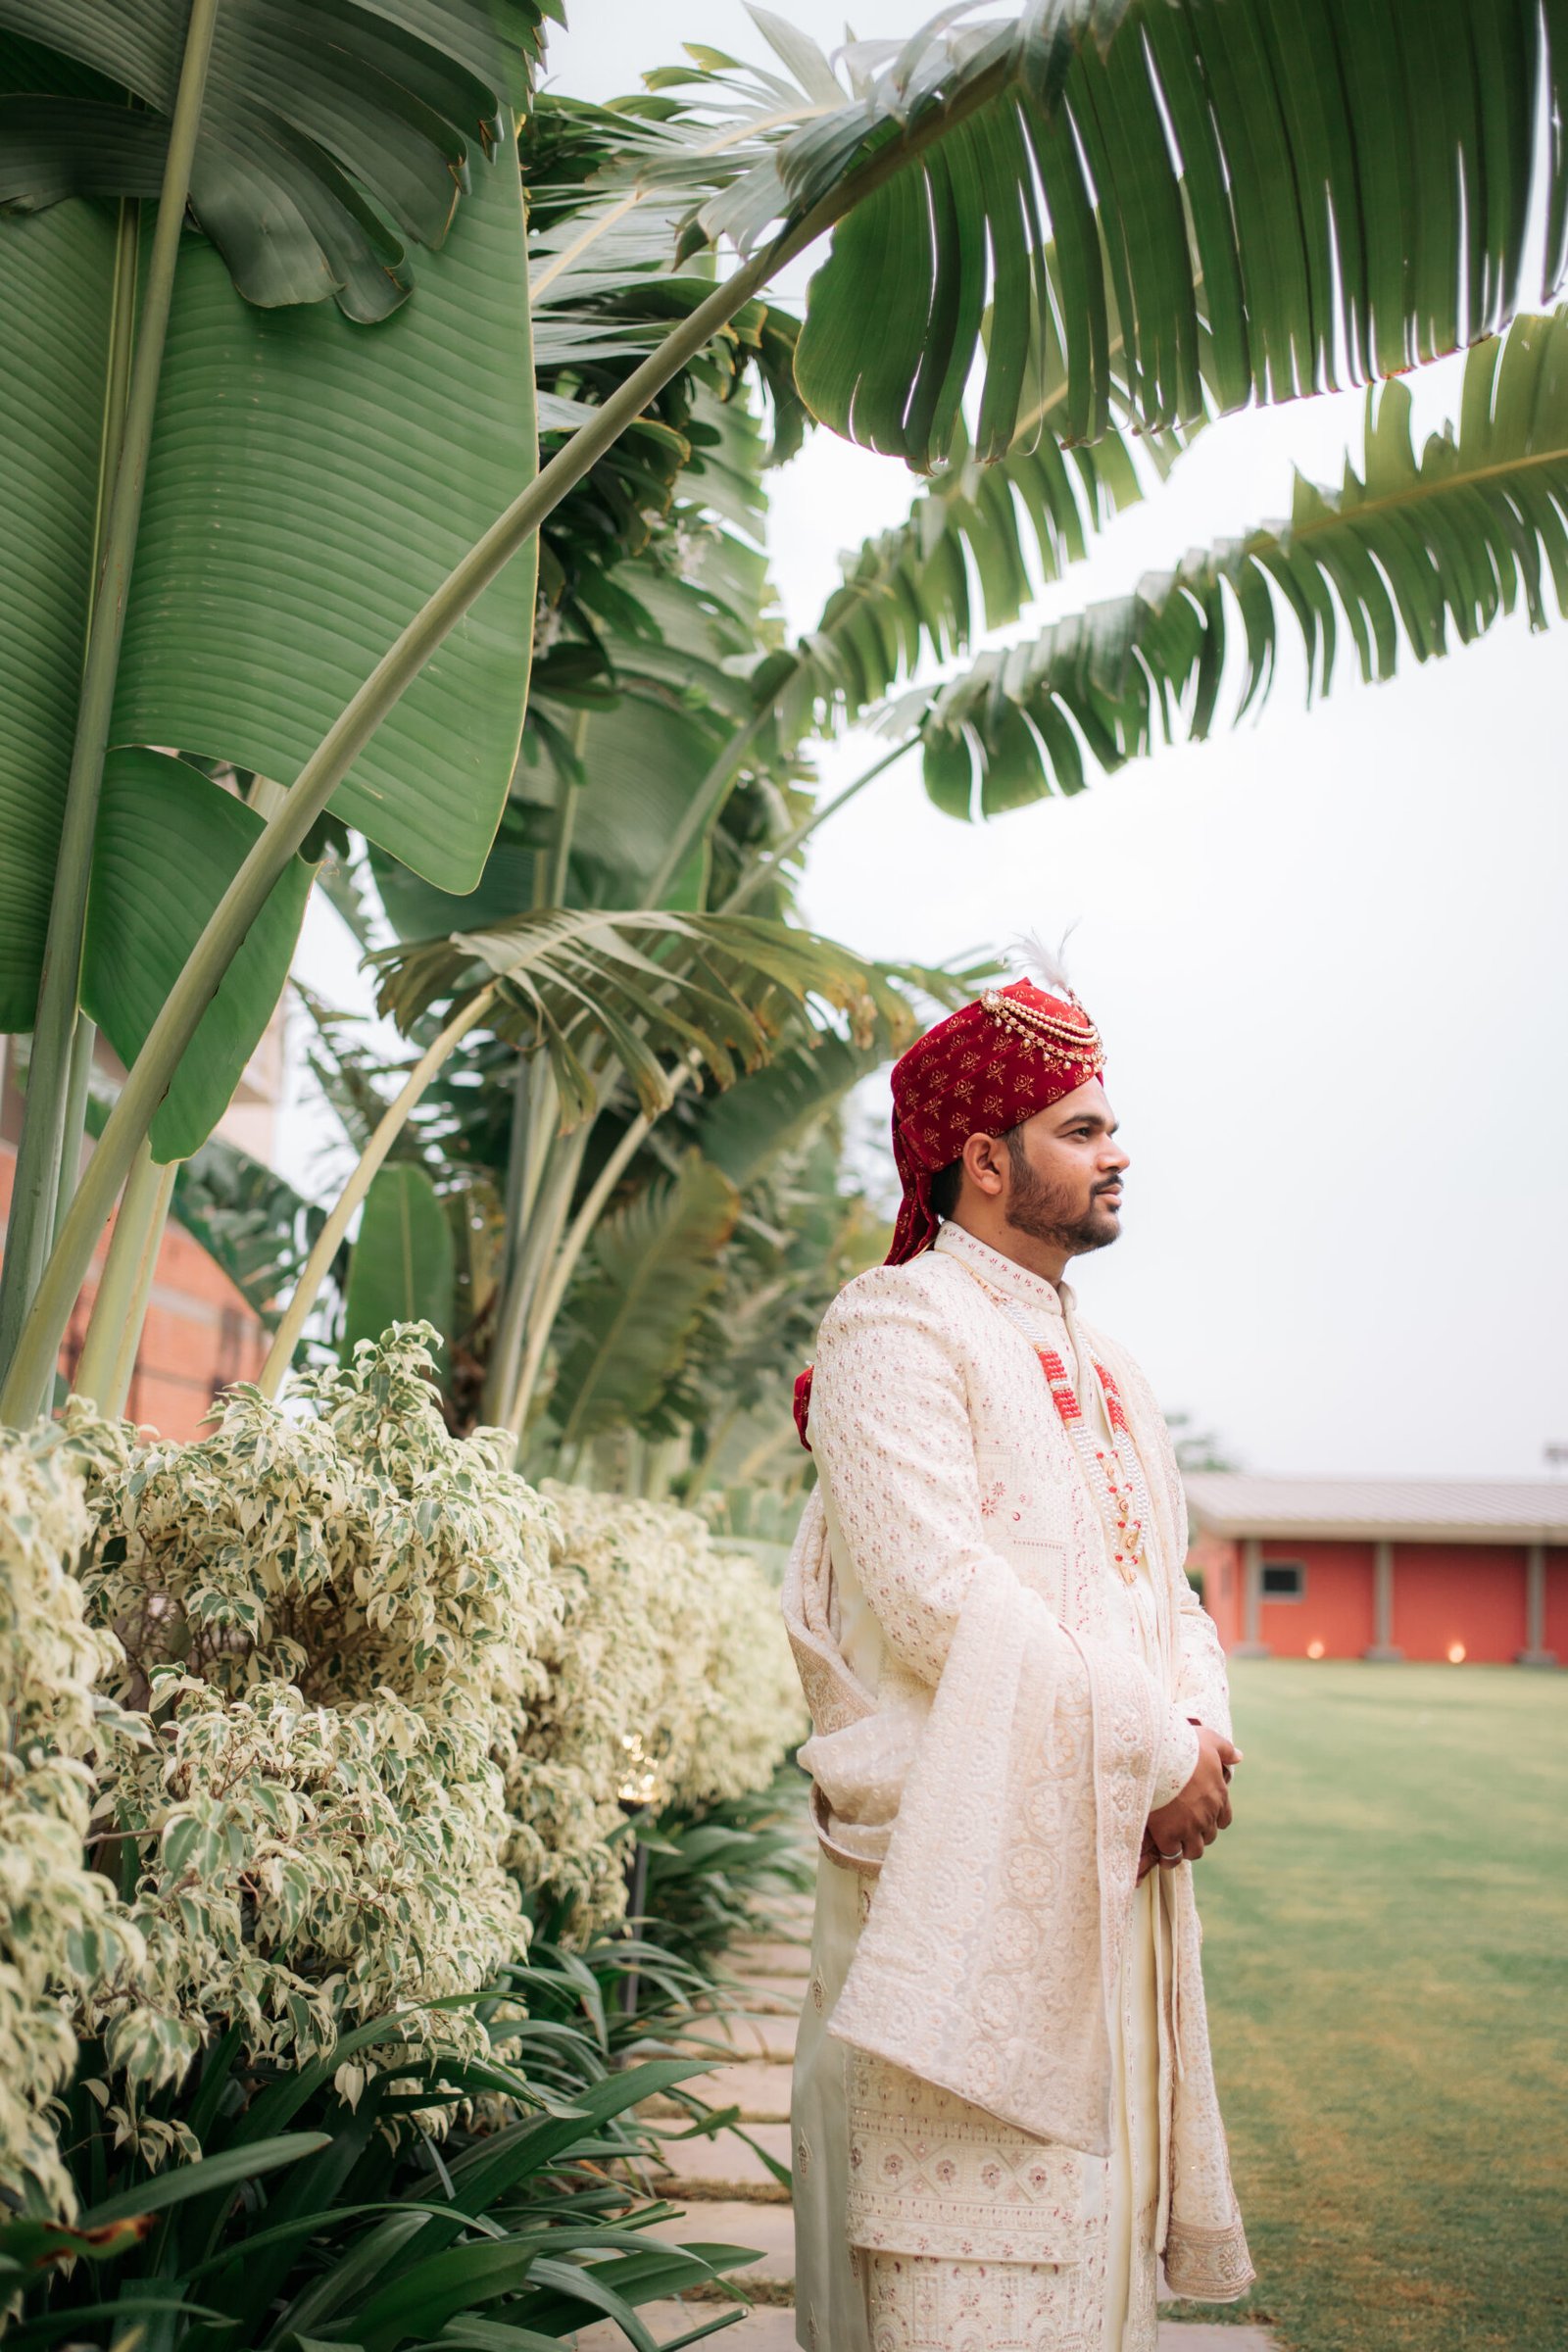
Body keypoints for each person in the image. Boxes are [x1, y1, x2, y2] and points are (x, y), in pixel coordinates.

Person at [784, 956, 1253, 2352]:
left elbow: (1162, 1592)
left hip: (1107, 1866)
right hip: (960, 1873)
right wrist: (1158, 1750)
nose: (1121, 1153)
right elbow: (942, 1601)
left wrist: (1204, 1730)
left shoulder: (1115, 1370)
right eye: (1085, 1129)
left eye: (1112, 1125)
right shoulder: (893, 1330)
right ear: (984, 1162)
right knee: (959, 2292)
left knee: (1092, 2281)